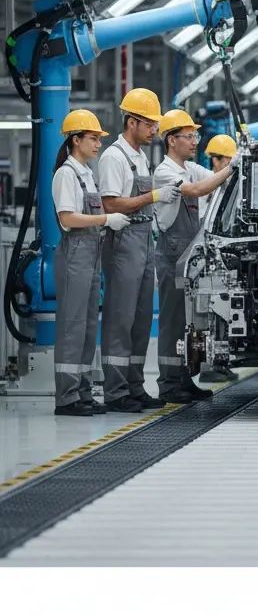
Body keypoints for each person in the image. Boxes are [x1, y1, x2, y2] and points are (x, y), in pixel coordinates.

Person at [98, 88, 179, 412]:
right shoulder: (113, 157)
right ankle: (116, 391)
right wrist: (154, 197)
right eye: (149, 124)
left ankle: (134, 385)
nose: (154, 130)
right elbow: (111, 202)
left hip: (144, 240)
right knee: (121, 318)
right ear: (132, 122)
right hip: (124, 243)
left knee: (143, 319)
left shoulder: (140, 157)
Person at [153, 112, 238, 403]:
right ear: (171, 139)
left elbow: (219, 183)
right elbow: (199, 190)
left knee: (192, 323)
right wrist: (232, 167)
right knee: (172, 321)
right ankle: (168, 382)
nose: (194, 142)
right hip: (171, 254)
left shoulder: (190, 167)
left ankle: (186, 378)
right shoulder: (165, 172)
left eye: (195, 136)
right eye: (188, 136)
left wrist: (240, 162)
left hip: (189, 256)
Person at [51, 111, 131, 416]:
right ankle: (66, 397)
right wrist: (106, 219)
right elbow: (67, 219)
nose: (98, 144)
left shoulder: (86, 173)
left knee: (86, 327)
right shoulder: (66, 175)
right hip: (75, 255)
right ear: (76, 140)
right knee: (72, 327)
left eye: (99, 139)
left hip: (91, 255)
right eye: (93, 138)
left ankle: (82, 392)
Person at [197, 134, 240, 384]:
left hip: (221, 257)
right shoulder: (210, 183)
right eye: (219, 159)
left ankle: (221, 364)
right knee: (207, 315)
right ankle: (206, 366)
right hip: (208, 257)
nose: (219, 163)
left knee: (223, 315)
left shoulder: (227, 184)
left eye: (220, 158)